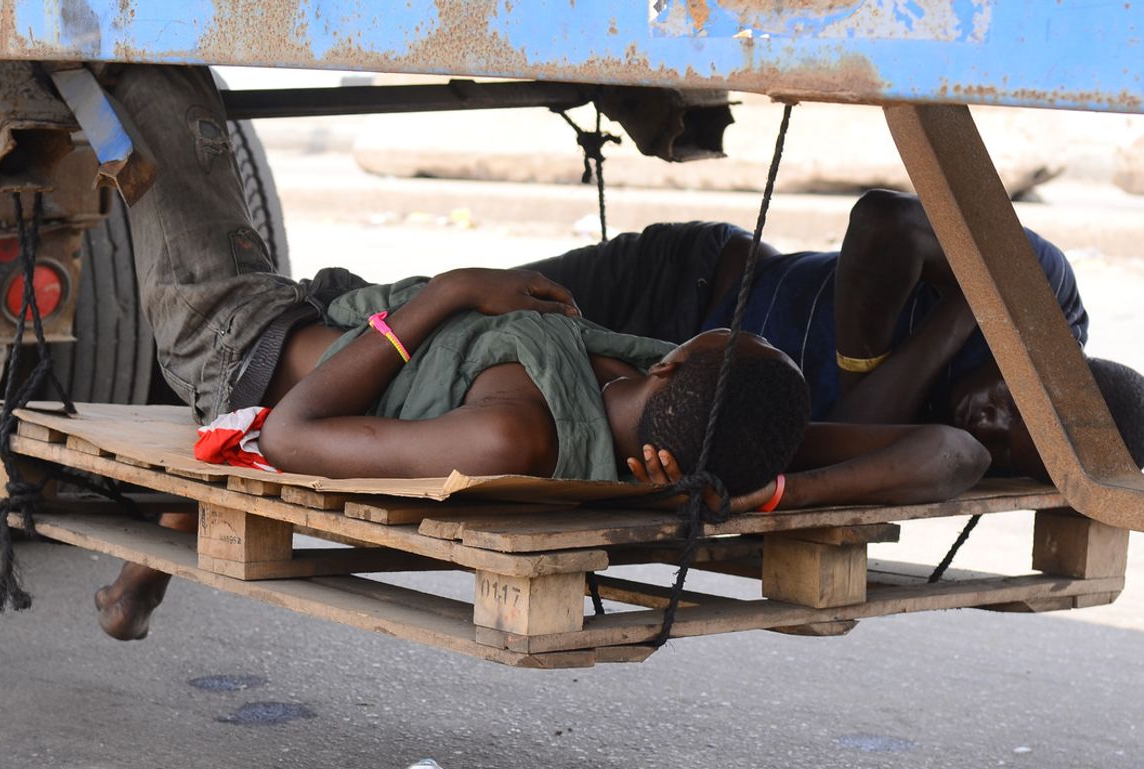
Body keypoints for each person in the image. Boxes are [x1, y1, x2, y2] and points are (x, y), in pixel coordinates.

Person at [91, 65, 990, 641]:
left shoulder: (508, 437)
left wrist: (448, 292)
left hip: (239, 343)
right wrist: (787, 491)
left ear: (673, 364)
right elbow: (960, 454)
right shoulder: (718, 442)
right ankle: (160, 552)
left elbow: (287, 437)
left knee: (152, 79)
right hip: (344, 308)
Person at [524, 191, 1144, 480]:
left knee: (478, 375)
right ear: (1053, 372)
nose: (989, 424)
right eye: (1014, 406)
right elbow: (882, 222)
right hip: (692, 284)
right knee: (464, 303)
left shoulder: (966, 441)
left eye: (1009, 453)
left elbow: (890, 441)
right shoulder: (1038, 296)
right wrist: (887, 370)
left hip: (669, 397)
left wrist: (964, 311)